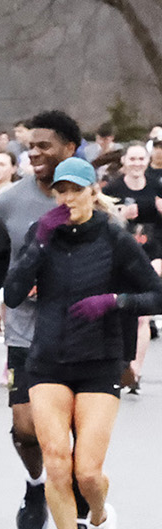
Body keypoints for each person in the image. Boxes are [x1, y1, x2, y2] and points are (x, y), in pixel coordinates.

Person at [3, 155, 160, 529]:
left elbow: (156, 295)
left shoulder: (114, 237)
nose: (68, 198)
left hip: (99, 361)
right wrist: (39, 242)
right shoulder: (43, 234)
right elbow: (12, 294)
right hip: (48, 361)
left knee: (87, 473)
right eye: (61, 191)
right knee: (57, 463)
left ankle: (101, 519)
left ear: (94, 191)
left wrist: (114, 302)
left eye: (76, 189)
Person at [0, 109, 80, 529]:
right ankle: (36, 485)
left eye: (44, 146)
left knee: (72, 433)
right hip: (23, 328)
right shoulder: (9, 202)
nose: (33, 153)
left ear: (69, 149)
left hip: (76, 329)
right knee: (25, 427)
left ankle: (77, 520)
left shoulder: (87, 199)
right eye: (30, 146)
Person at [102, 139, 162, 387]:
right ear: (124, 161)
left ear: (147, 161)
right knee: (121, 312)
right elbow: (103, 222)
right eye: (132, 159)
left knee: (142, 317)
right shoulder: (112, 189)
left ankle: (135, 369)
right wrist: (120, 214)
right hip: (121, 257)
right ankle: (122, 362)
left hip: (152, 253)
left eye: (141, 159)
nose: (137, 164)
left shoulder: (157, 186)